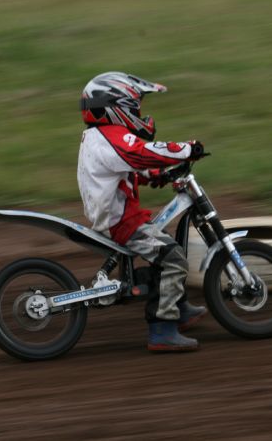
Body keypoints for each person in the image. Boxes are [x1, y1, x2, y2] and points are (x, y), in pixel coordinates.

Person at [77, 71, 207, 352]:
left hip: (118, 216)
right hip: (120, 222)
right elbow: (141, 153)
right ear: (117, 107)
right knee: (172, 258)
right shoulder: (110, 137)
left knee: (165, 243)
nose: (139, 113)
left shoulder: (100, 137)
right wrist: (186, 149)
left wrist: (157, 175)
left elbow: (127, 166)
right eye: (135, 107)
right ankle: (163, 329)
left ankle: (179, 308)